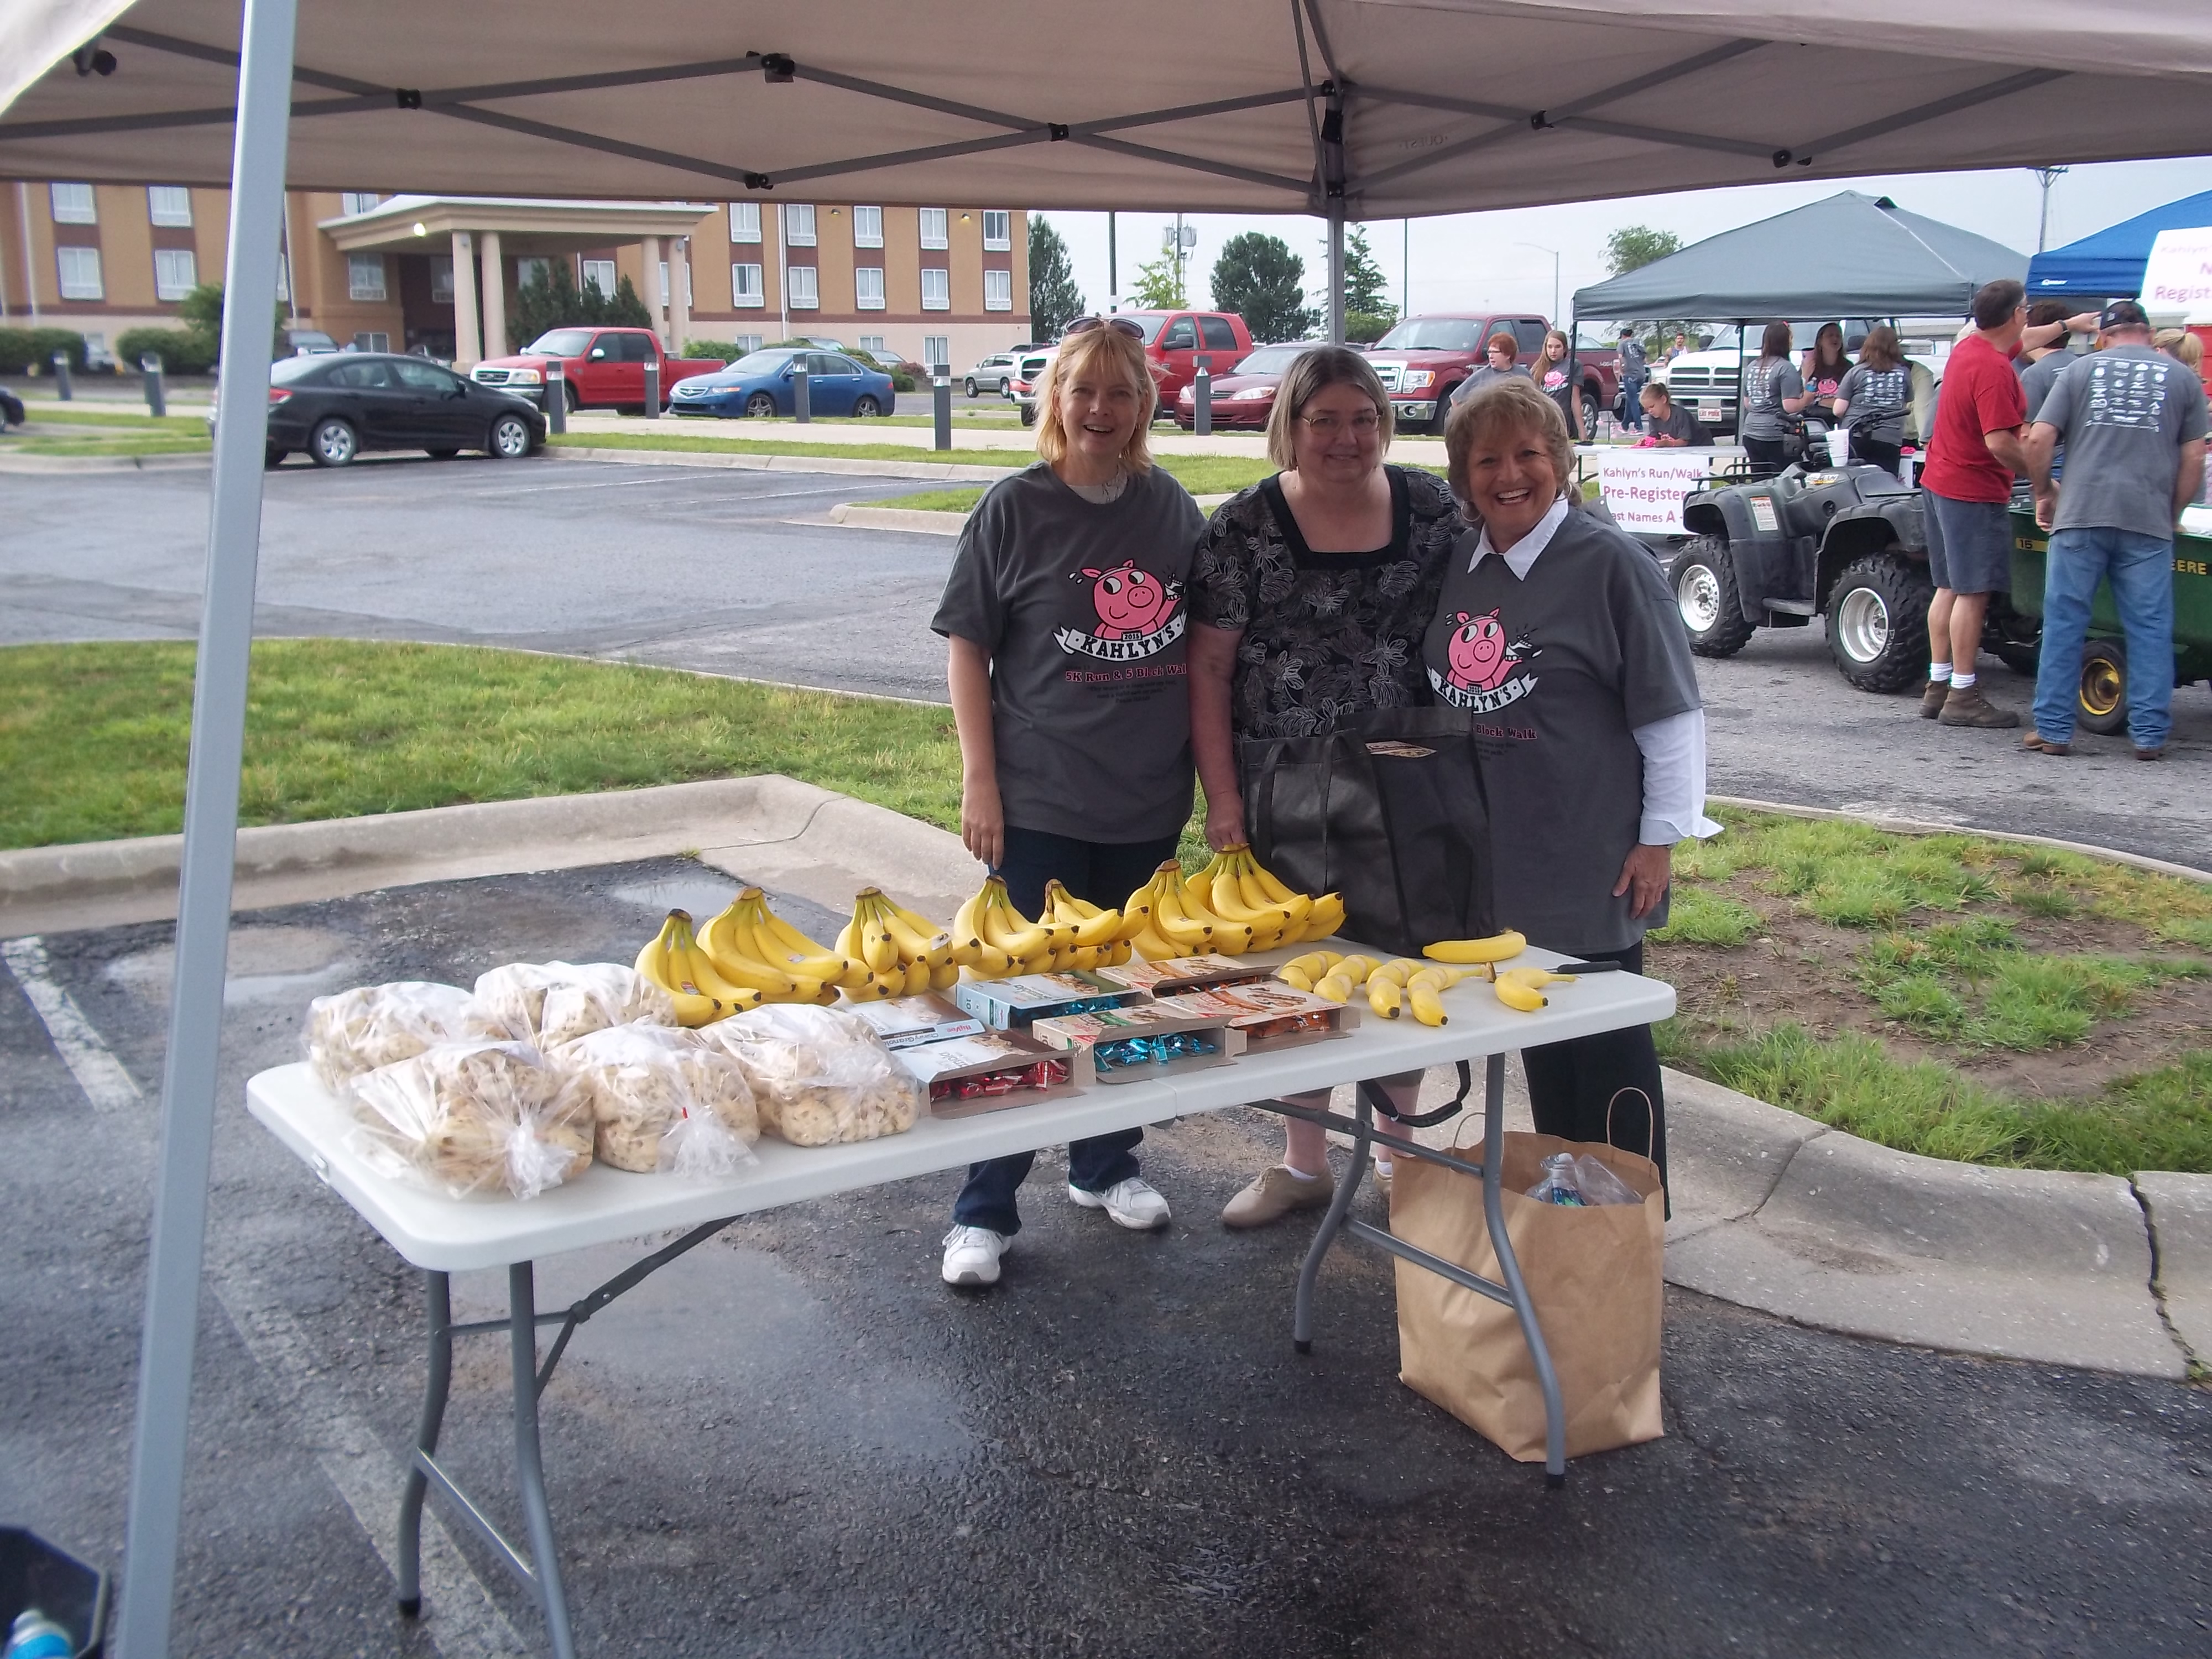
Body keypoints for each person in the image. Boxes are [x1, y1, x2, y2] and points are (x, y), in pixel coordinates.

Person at [930, 315, 1207, 1287]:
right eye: (1084, 389)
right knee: (1024, 1006)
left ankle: (1106, 1164)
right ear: (1055, 399)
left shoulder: (1171, 510)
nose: (1101, 408)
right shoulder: (1013, 510)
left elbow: (1212, 644)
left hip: (1146, 801)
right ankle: (983, 1210)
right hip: (1040, 799)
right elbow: (968, 648)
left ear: (1144, 406)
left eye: (1121, 392)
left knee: (1125, 1000)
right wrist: (981, 779)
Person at [1187, 346, 1464, 1227]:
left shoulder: (1435, 510)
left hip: (1410, 773)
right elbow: (1208, 671)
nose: (1348, 438)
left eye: (1364, 418)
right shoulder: (1243, 529)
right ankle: (1303, 1163)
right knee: (1299, 978)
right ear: (1291, 427)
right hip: (1283, 781)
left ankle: (1399, 1155)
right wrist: (1222, 799)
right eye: (1325, 421)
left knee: (1405, 965)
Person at [1426, 378, 1720, 1193]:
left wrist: (1659, 839)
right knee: (1543, 1038)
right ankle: (1568, 1198)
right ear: (1463, 476)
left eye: (1528, 454)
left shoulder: (1610, 564)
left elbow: (1671, 715)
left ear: (1559, 461)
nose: (1509, 475)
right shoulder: (1461, 563)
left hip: (1590, 855)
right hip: (1495, 856)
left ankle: (1629, 1212)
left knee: (1608, 1046)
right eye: (1487, 460)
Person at [2022, 300, 2207, 761]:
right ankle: (2149, 735)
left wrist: (2044, 492)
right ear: (2148, 333)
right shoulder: (2183, 379)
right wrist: (2172, 511)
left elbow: (2039, 437)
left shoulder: (2079, 371)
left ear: (2104, 337)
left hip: (2082, 512)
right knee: (2150, 627)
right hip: (2147, 518)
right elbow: (2194, 457)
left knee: (2066, 622)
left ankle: (2055, 730)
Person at [1919, 279, 2032, 729]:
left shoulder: (1968, 347)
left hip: (1939, 479)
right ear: (2015, 315)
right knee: (1972, 591)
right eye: (2026, 309)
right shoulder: (1992, 367)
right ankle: (1963, 693)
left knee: (1947, 586)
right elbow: (1999, 441)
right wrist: (2041, 478)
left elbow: (2027, 339)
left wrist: (2068, 326)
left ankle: (1938, 683)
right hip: (1971, 489)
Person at [1738, 320, 1817, 476]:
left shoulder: (1752, 366)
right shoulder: (1785, 367)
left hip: (1751, 432)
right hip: (1775, 434)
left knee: (1759, 479)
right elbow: (1790, 406)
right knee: (1782, 479)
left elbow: (1747, 403)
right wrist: (1807, 398)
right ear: (1786, 341)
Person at [1832, 324, 1912, 476]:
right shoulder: (1904, 373)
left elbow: (1838, 410)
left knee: (1855, 481)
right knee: (1885, 482)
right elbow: (1906, 402)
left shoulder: (1855, 371)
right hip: (1890, 437)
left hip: (1856, 434)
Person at [1530, 327, 1587, 439]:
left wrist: (1582, 431)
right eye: (1550, 347)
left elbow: (1575, 398)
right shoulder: (1537, 369)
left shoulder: (1573, 365)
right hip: (1543, 420)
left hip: (1563, 419)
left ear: (1564, 348)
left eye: (1557, 347)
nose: (1553, 351)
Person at [1450, 331, 1531, 406]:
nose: (1491, 356)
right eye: (1489, 352)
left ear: (1508, 355)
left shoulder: (1522, 373)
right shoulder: (1481, 376)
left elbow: (1534, 398)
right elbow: (1455, 399)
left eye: (1495, 352)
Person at [1799, 322, 1851, 423]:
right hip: (1812, 419)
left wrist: (1818, 401)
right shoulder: (1810, 365)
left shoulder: (1848, 367)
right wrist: (1805, 376)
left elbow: (1848, 401)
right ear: (1820, 341)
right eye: (1830, 335)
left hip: (1838, 419)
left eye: (1838, 336)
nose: (1835, 339)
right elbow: (1798, 397)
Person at [1636, 382, 1702, 447]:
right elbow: (1654, 436)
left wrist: (1669, 444)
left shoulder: (1680, 414)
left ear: (1663, 399)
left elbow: (1684, 441)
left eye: (1652, 406)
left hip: (1702, 446)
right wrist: (1646, 441)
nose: (1650, 411)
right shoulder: (1653, 417)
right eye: (1647, 409)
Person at [1618, 325, 1650, 432]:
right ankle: (1625, 426)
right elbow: (1645, 360)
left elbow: (1620, 358)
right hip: (1641, 375)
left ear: (1623, 336)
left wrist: (1622, 370)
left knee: (1633, 400)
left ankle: (1638, 427)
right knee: (1630, 399)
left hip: (1630, 375)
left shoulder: (1622, 343)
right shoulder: (1638, 342)